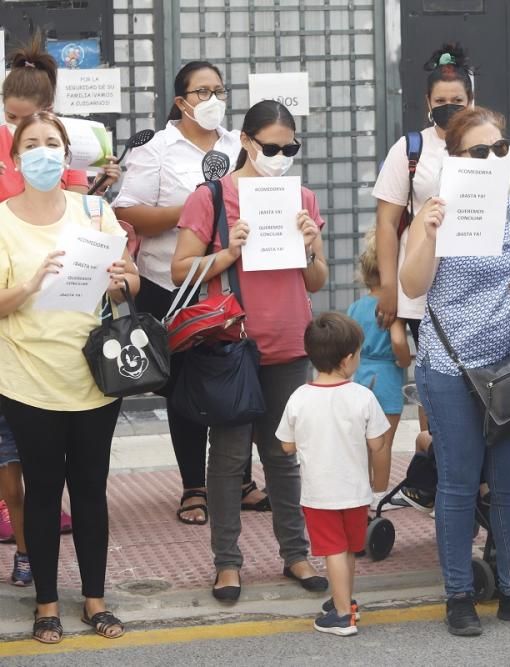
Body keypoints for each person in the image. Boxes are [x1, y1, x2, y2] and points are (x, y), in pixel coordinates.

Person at [400, 106, 510, 637]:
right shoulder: (436, 211)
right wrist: (426, 231)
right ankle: (459, 596)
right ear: (454, 157)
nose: (492, 158)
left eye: (500, 149)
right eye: (479, 151)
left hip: (509, 367)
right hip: (450, 369)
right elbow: (413, 284)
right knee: (459, 485)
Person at [172, 100, 327, 600]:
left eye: (290, 148)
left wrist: (309, 248)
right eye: (271, 146)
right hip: (232, 344)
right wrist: (228, 252)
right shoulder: (211, 198)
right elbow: (180, 271)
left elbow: (318, 281)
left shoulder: (301, 197)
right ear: (244, 141)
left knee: (283, 455)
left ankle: (296, 554)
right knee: (229, 457)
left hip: (289, 340)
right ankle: (227, 563)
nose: (281, 155)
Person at [0, 112, 138, 643]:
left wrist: (124, 281)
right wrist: (32, 283)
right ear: (16, 158)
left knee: (90, 490)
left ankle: (96, 599)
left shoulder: (95, 210)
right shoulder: (5, 219)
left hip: (93, 376)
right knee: (41, 492)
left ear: (65, 154)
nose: (42, 152)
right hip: (27, 377)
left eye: (51, 143)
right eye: (31, 144)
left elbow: (123, 290)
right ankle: (46, 604)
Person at [114, 61, 265, 526]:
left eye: (219, 89)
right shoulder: (158, 149)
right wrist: (199, 206)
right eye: (202, 92)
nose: (213, 99)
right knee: (185, 389)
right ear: (181, 102)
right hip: (169, 285)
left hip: (229, 285)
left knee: (233, 378)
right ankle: (193, 487)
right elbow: (130, 212)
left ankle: (237, 479)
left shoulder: (236, 143)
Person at [372, 43, 510, 353]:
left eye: (457, 100)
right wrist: (389, 287)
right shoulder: (409, 149)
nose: (449, 106)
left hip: (487, 285)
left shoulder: (498, 150)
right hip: (424, 285)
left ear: (471, 101)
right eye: (440, 100)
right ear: (428, 103)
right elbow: (386, 224)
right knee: (432, 372)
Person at [277, 312, 389, 636]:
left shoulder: (299, 398)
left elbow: (285, 446)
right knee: (348, 549)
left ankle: (341, 614)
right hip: (355, 490)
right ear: (348, 358)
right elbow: (378, 443)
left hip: (320, 492)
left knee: (333, 551)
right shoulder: (362, 396)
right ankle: (346, 600)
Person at [0, 33, 121, 199]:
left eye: (28, 118)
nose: (20, 125)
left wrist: (99, 185)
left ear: (48, 110)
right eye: (11, 116)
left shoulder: (67, 141)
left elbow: (77, 206)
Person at [347, 229, 412, 510]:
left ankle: (361, 491)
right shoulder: (391, 307)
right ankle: (379, 495)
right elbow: (398, 340)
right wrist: (404, 360)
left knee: (363, 441)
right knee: (383, 442)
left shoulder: (355, 308)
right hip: (386, 376)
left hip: (360, 376)